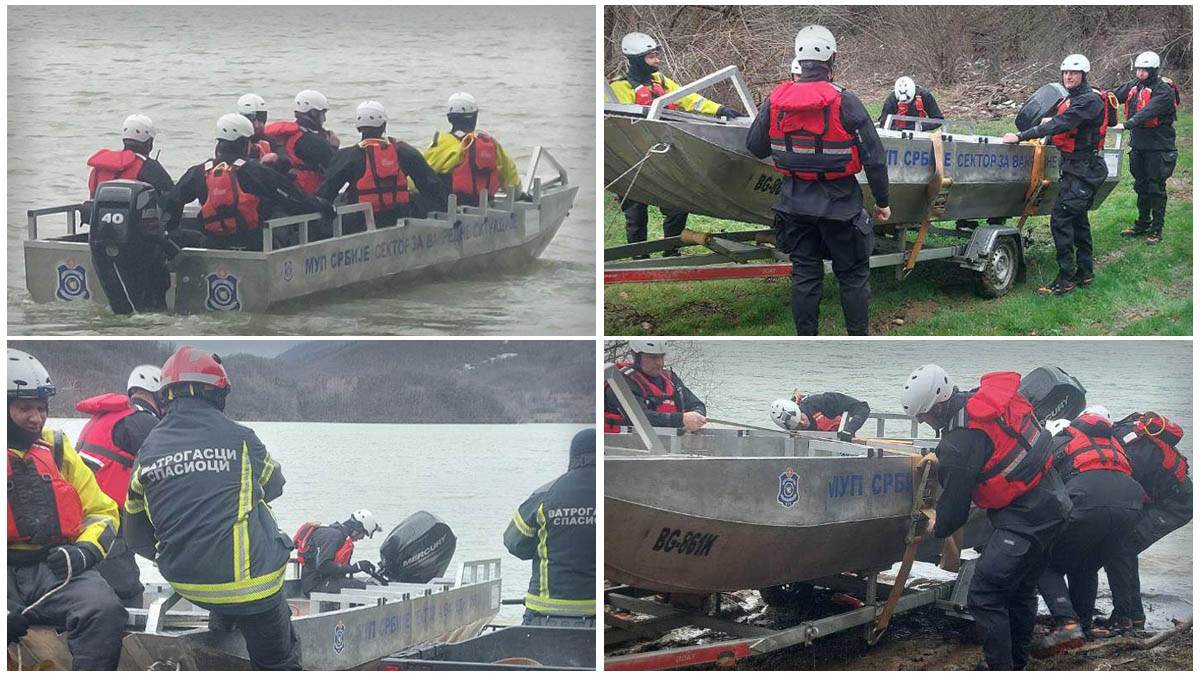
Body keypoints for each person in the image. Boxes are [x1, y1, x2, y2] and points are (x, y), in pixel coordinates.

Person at [124, 346, 300, 669]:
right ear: (218, 394)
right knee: (280, 656)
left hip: (187, 583)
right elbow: (276, 484)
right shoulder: (242, 439)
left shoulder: (147, 451)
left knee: (226, 565)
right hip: (251, 588)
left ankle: (224, 624)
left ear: (165, 396)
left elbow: (134, 533)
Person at [901, 365, 1071, 671]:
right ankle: (1017, 663)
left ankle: (1001, 667)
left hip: (1025, 517)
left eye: (923, 415)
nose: (922, 422)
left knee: (984, 594)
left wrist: (935, 525)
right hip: (1056, 502)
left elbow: (951, 516)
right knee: (1020, 590)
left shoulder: (956, 443)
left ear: (938, 407)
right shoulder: (985, 401)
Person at [747, 25, 890, 335]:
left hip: (794, 205)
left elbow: (755, 147)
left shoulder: (777, 99)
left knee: (805, 275)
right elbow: (875, 157)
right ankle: (857, 340)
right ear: (832, 59)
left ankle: (806, 339)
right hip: (840, 206)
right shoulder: (845, 100)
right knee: (852, 275)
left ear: (799, 58)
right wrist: (883, 202)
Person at [7, 349, 125, 669]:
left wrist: (84, 552)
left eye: (41, 408)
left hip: (54, 568)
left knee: (105, 610)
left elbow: (102, 511)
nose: (36, 418)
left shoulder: (58, 449)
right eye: (24, 408)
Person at [610, 32, 742, 256]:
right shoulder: (619, 88)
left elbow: (690, 99)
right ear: (636, 59)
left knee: (677, 206)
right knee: (635, 210)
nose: (657, 60)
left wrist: (719, 109)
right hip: (637, 159)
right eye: (651, 57)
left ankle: (671, 249)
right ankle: (639, 253)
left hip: (664, 156)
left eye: (656, 56)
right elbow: (621, 125)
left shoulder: (661, 81)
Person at [1032, 406, 1144, 654]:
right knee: (1086, 566)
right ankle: (1082, 624)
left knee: (1045, 564)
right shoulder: (1113, 444)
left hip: (1089, 502)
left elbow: (1039, 476)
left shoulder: (1064, 439)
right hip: (1131, 507)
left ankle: (1066, 622)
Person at [1002, 54, 1109, 295]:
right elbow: (1059, 122)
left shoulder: (1089, 101)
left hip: (1084, 169)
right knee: (1078, 220)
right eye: (1065, 73)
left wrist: (1021, 136)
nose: (1069, 76)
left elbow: (1061, 124)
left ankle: (1065, 279)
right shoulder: (1074, 99)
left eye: (1074, 73)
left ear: (1083, 75)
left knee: (1061, 218)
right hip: (1075, 168)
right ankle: (1085, 272)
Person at [162, 113, 333, 251]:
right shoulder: (254, 170)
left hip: (213, 244)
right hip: (253, 243)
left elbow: (172, 202)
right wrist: (322, 205)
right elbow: (293, 197)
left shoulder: (199, 172)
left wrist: (172, 230)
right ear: (245, 143)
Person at [74, 364, 164, 607]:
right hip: (107, 523)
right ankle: (127, 640)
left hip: (83, 517)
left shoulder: (106, 418)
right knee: (126, 590)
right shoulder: (144, 423)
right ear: (157, 394)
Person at [1098, 411, 1192, 632]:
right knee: (1122, 547)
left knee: (1121, 548)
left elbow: (1124, 494)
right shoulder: (1119, 434)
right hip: (1159, 496)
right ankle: (1132, 615)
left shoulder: (1132, 454)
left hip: (1176, 504)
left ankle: (1126, 617)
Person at [503, 428, 596, 627]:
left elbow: (514, 543)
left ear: (573, 456)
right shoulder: (611, 492)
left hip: (545, 614)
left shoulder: (546, 494)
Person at [319, 101, 447, 228]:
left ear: (358, 127)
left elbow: (327, 192)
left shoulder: (347, 155)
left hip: (361, 223)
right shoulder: (404, 151)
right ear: (384, 126)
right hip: (400, 217)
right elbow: (431, 185)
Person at [1115, 51, 1180, 244]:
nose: (1141, 73)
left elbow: (1148, 111)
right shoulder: (1135, 86)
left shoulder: (1164, 90)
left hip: (1159, 146)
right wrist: (1097, 95)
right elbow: (1115, 96)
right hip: (1139, 145)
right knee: (1141, 185)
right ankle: (1142, 224)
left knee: (1155, 187)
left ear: (1154, 70)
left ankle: (1156, 229)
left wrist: (1127, 124)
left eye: (1145, 70)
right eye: (1139, 70)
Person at [423, 92, 521, 208]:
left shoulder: (441, 145)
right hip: (486, 206)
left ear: (450, 118)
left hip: (450, 209)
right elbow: (511, 178)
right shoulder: (490, 144)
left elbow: (419, 177)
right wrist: (519, 195)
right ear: (474, 117)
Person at [603, 340, 706, 433]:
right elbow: (640, 417)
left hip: (669, 444)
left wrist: (696, 416)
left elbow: (696, 403)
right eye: (652, 357)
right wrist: (680, 419)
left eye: (661, 356)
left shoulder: (670, 379)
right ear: (636, 357)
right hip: (629, 445)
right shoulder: (619, 382)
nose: (659, 363)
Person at [263, 89, 338, 193]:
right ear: (313, 113)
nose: (324, 119)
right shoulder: (314, 142)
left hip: (282, 190)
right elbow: (336, 168)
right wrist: (334, 147)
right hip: (306, 196)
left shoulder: (286, 134)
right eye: (322, 114)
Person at [294, 510, 383, 597]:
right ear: (358, 529)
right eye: (364, 534)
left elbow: (339, 569)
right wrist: (355, 568)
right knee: (363, 588)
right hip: (315, 586)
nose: (362, 538)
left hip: (326, 581)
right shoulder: (333, 536)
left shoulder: (342, 537)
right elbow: (323, 565)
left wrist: (359, 567)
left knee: (363, 585)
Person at [86, 113, 175, 198]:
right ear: (149, 143)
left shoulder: (99, 167)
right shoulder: (150, 167)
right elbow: (172, 195)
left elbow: (92, 198)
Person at [770, 390, 870, 441]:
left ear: (798, 408)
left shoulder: (823, 402)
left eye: (801, 418)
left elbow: (862, 407)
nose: (803, 423)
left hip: (844, 448)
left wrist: (849, 430)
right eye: (799, 426)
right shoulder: (793, 435)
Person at [877, 76, 943, 131]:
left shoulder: (925, 96)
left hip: (919, 132)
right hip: (897, 133)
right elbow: (883, 124)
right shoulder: (891, 100)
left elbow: (938, 119)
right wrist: (898, 130)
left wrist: (918, 127)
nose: (905, 102)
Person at [237, 93, 277, 163]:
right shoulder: (231, 143)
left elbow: (285, 160)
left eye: (261, 118)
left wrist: (272, 159)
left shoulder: (270, 141)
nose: (257, 125)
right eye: (251, 119)